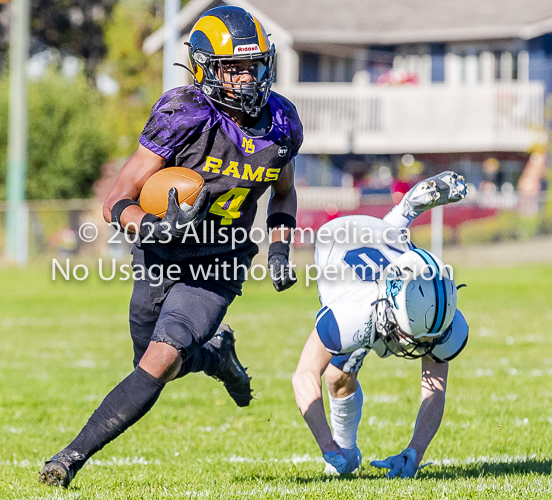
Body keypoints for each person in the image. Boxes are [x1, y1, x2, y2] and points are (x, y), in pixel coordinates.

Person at [39, 5, 302, 488]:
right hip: (158, 256)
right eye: (233, 68)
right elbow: (116, 198)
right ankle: (217, 356)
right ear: (205, 68)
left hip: (221, 259)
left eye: (254, 66)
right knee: (155, 360)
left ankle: (69, 458)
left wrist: (280, 249)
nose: (247, 79)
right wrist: (152, 228)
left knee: (160, 360)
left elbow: (283, 192)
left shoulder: (281, 122)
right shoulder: (184, 113)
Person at [292, 172, 469, 479]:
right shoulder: (353, 312)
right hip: (337, 245)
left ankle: (403, 213)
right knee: (338, 374)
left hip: (388, 244)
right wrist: (329, 447)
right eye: (409, 336)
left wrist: (414, 454)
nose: (417, 346)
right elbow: (304, 375)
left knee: (396, 251)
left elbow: (435, 389)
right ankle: (346, 452)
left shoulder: (442, 315)